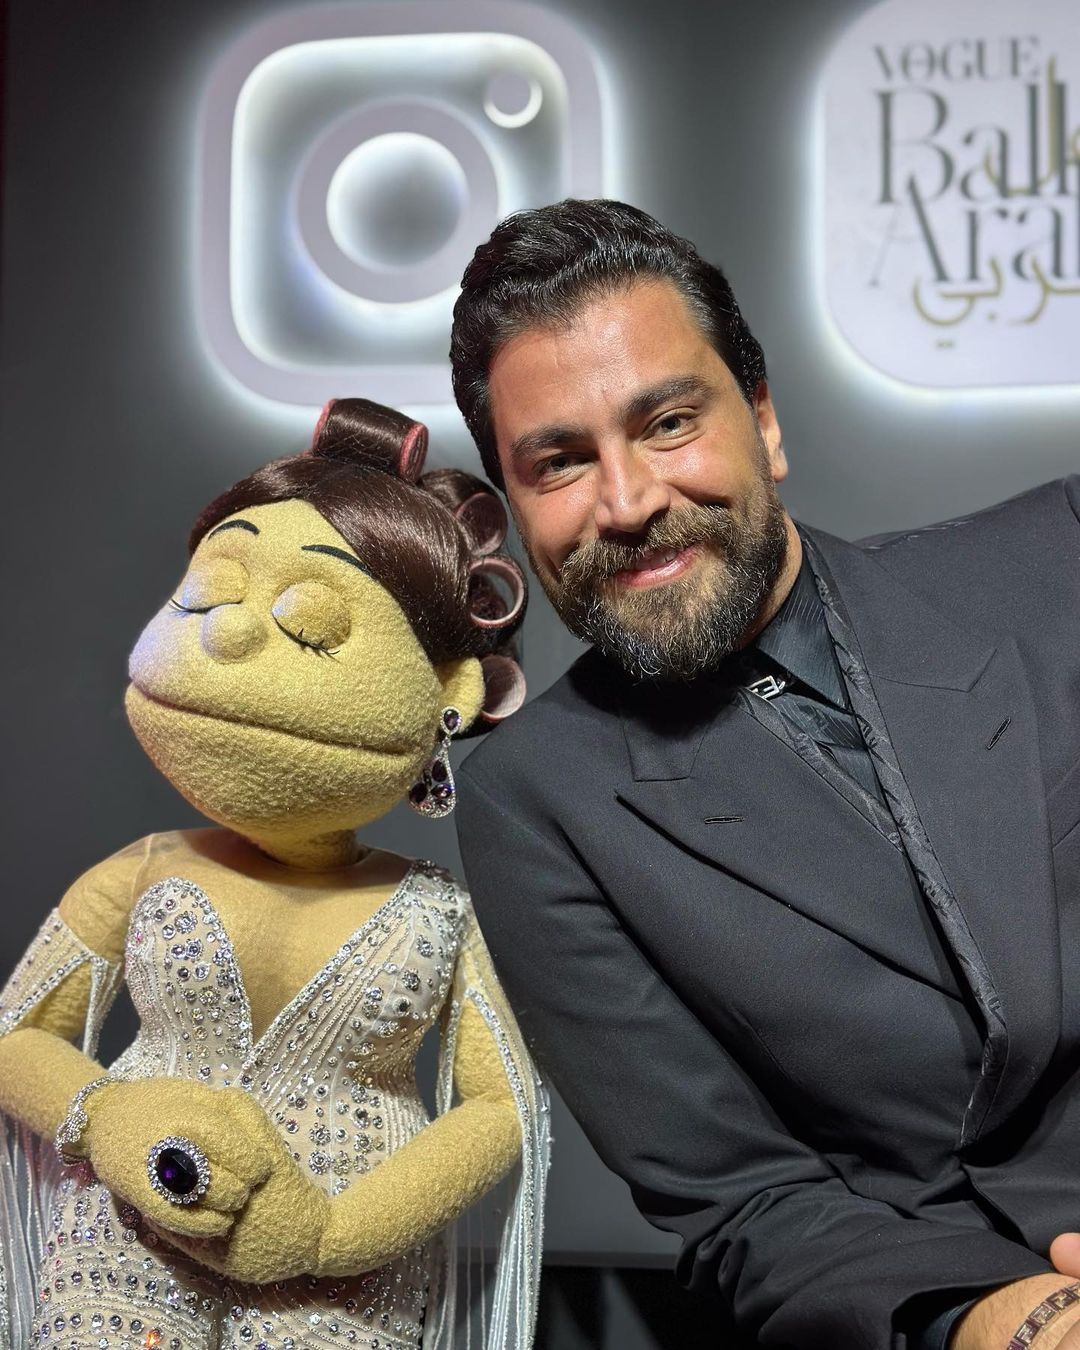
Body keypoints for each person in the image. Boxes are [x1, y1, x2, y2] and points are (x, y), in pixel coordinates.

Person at [448, 199, 1080, 1350]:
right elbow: (745, 1202)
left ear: (766, 421)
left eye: (668, 422)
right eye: (561, 461)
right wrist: (1016, 1321)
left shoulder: (1058, 559)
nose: (629, 501)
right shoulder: (535, 804)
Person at [0, 399, 548, 1350]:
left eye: (313, 622)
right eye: (207, 593)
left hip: (350, 1269)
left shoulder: (438, 913)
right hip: (127, 1225)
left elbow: (503, 1108)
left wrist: (339, 1233)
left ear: (452, 692)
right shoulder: (144, 870)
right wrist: (113, 1116)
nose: (227, 634)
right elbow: (16, 1037)